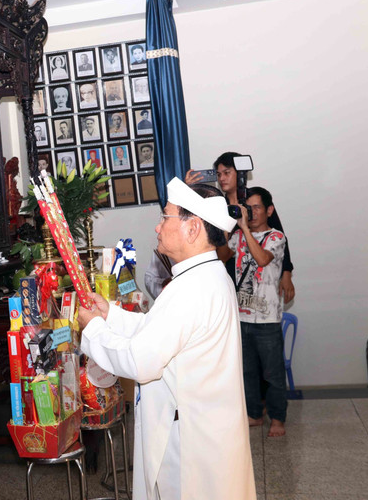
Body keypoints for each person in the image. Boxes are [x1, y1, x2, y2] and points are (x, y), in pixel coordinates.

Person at [78, 178, 255, 500]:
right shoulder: (205, 276)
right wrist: (110, 317)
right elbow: (159, 331)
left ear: (193, 228)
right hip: (201, 428)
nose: (158, 227)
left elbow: (140, 361)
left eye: (165, 217)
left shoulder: (192, 287)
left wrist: (93, 330)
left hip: (188, 445)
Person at [221, 187, 288, 438]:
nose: (252, 212)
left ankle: (278, 419)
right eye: (249, 208)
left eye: (257, 207)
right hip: (241, 316)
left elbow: (261, 259)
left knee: (272, 374)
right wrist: (227, 229)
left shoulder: (276, 237)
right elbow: (222, 256)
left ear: (269, 210)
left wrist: (245, 229)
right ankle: (254, 414)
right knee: (247, 372)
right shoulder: (239, 236)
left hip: (267, 319)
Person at [188, 152, 295, 303]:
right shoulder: (218, 205)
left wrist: (286, 273)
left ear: (240, 174)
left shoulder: (256, 200)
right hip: (230, 271)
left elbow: (279, 234)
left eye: (227, 173)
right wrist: (189, 190)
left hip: (262, 274)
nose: (222, 178)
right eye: (218, 174)